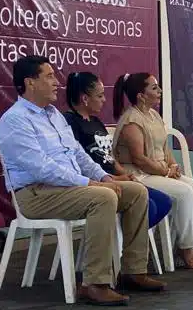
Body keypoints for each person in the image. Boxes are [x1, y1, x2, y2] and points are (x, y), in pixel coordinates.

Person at [0, 55, 163, 306]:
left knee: (137, 191)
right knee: (103, 197)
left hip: (66, 188)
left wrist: (104, 176)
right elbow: (42, 169)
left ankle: (133, 271)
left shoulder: (53, 114)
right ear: (30, 83)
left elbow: (77, 154)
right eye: (49, 76)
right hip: (35, 194)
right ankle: (94, 283)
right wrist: (90, 184)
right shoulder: (15, 120)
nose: (56, 82)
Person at [111, 72, 193, 270]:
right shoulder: (132, 120)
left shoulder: (154, 115)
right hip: (139, 175)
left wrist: (173, 166)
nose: (160, 92)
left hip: (158, 172)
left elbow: (165, 149)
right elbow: (139, 159)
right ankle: (185, 247)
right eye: (154, 88)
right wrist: (165, 172)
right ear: (140, 95)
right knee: (184, 192)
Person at [63, 71, 173, 233]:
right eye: (100, 96)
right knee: (149, 206)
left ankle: (122, 239)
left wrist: (126, 175)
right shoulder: (70, 122)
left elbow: (109, 158)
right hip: (97, 182)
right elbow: (81, 163)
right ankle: (120, 242)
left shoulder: (96, 122)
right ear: (85, 99)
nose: (104, 100)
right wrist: (113, 178)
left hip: (115, 177)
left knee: (163, 201)